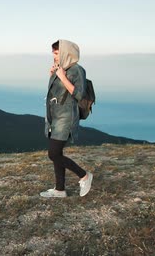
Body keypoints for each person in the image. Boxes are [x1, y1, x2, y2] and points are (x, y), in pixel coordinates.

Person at [40, 39, 93, 198]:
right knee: (57, 153)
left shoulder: (77, 70)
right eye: (53, 53)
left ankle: (84, 175)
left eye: (56, 53)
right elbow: (56, 93)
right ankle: (59, 190)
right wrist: (52, 76)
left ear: (65, 53)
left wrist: (62, 77)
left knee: (54, 153)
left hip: (66, 117)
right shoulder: (61, 68)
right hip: (55, 116)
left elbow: (79, 94)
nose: (54, 56)